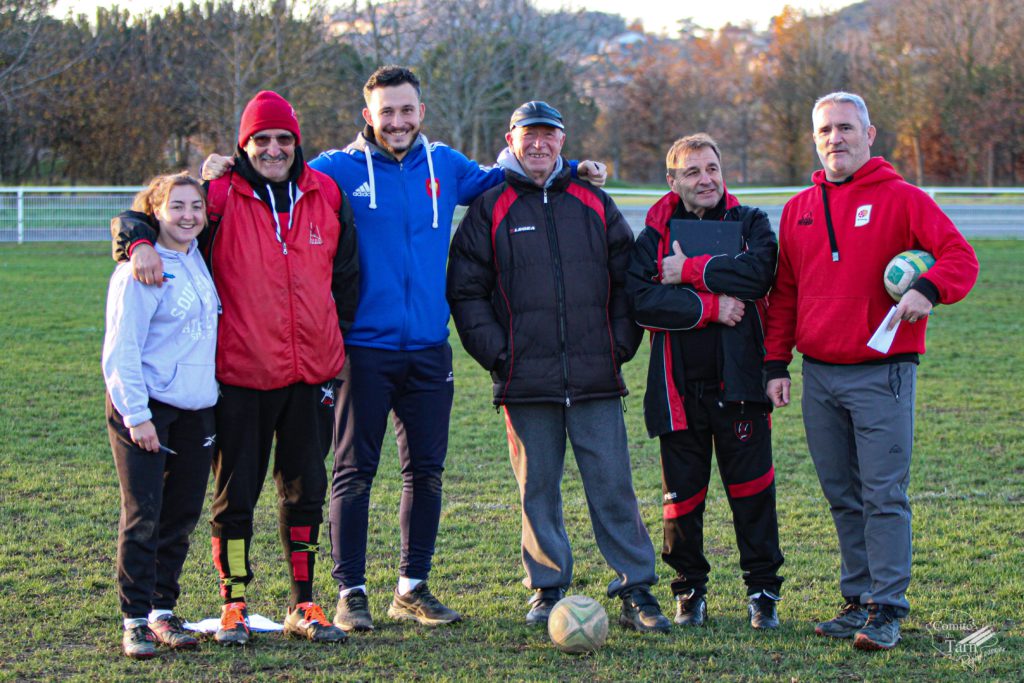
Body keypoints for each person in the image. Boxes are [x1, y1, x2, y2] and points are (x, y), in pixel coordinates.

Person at [201, 65, 607, 631]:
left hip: (428, 348)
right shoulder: (334, 171)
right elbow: (274, 174)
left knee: (427, 472)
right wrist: (223, 168)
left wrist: (573, 168)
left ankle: (412, 588)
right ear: (368, 116)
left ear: (421, 113)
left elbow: (516, 171)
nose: (397, 121)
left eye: (407, 110)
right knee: (352, 472)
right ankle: (351, 592)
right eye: (386, 111)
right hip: (360, 350)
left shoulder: (446, 165)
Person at [112, 90, 359, 645]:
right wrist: (135, 241)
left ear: (297, 143)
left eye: (283, 140)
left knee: (307, 492)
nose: (273, 149)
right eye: (261, 140)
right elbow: (149, 212)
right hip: (242, 377)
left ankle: (305, 602)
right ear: (243, 145)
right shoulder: (217, 195)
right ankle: (234, 603)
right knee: (235, 496)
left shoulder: (326, 194)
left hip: (310, 375)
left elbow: (346, 279)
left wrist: (328, 340)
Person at [764, 92, 979, 650]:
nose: (835, 138)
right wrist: (776, 363)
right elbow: (785, 294)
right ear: (815, 139)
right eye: (825, 130)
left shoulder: (904, 199)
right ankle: (856, 598)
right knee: (842, 494)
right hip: (819, 375)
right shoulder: (798, 209)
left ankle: (887, 608)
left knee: (883, 494)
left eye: (845, 127)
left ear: (869, 133)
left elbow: (960, 257)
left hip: (882, 372)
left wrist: (928, 290)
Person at [446, 100, 671, 633]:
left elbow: (628, 275)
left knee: (613, 484)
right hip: (526, 381)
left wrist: (619, 343)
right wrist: (501, 355)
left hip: (595, 375)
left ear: (563, 142)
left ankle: (635, 587)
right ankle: (548, 588)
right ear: (512, 139)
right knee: (537, 489)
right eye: (530, 136)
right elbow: (465, 289)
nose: (540, 144)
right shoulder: (491, 204)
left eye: (550, 135)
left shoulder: (591, 198)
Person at [625, 134, 785, 630]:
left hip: (741, 389)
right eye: (692, 172)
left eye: (712, 168)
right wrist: (712, 305)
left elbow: (758, 275)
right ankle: (689, 591)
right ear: (672, 181)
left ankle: (762, 592)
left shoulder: (751, 223)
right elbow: (641, 300)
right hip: (678, 391)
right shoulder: (653, 235)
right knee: (682, 500)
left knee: (754, 495)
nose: (705, 179)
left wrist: (689, 271)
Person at [102, 173, 218, 659]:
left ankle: (162, 611)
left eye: (196, 206)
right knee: (144, 514)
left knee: (181, 515)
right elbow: (120, 350)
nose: (188, 216)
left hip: (198, 409)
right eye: (177, 207)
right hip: (147, 408)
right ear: (155, 212)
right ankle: (134, 620)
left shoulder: (199, 258)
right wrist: (138, 416)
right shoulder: (139, 269)